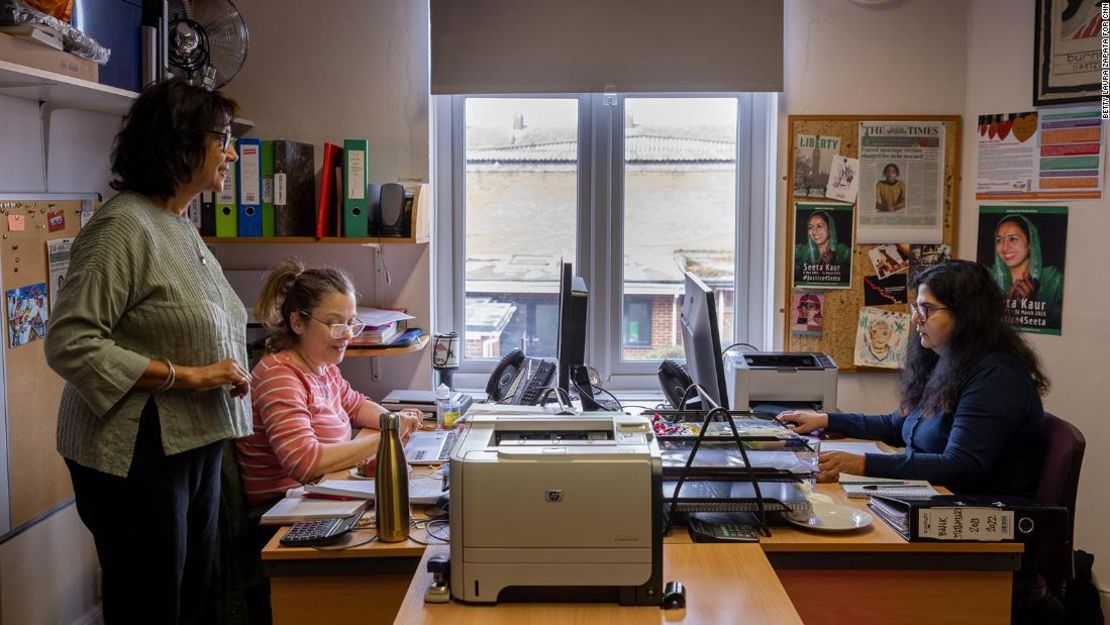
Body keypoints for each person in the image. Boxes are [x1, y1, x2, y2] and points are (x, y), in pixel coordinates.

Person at [44, 78, 252, 624]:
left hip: (196, 441)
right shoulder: (122, 228)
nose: (230, 151)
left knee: (195, 604)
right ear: (181, 141)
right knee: (152, 608)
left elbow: (187, 320)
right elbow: (71, 343)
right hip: (136, 453)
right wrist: (189, 375)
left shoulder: (180, 226)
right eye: (221, 137)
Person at [778, 261, 1047, 495]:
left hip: (972, 517)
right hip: (932, 496)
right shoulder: (947, 363)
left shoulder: (996, 378)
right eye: (916, 307)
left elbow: (960, 466)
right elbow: (896, 426)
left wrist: (859, 464)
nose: (917, 319)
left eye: (927, 309)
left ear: (966, 315)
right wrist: (824, 420)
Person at [236, 259, 424, 507]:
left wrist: (393, 421)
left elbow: (355, 406)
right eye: (335, 324)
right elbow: (305, 462)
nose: (346, 334)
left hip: (319, 493)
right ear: (298, 323)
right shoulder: (278, 375)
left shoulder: (323, 367)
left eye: (350, 323)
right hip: (282, 509)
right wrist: (388, 437)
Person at [991, 214, 1064, 322]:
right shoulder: (986, 277)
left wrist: (1031, 304)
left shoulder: (1053, 279)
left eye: (1013, 239)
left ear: (1030, 243)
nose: (1004, 248)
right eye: (999, 240)